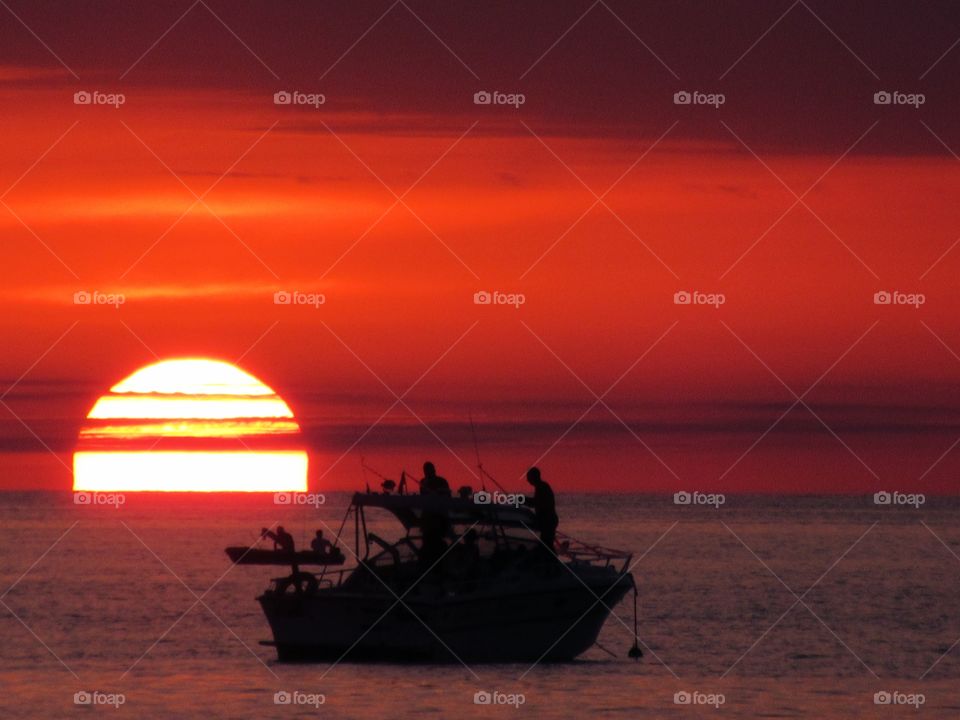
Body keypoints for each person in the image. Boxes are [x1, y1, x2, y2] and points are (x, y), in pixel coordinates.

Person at [526, 467, 558, 551]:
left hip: (548, 522)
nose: (527, 480)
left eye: (528, 477)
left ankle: (551, 561)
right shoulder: (541, 486)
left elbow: (536, 503)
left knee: (546, 546)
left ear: (533, 477)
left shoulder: (542, 487)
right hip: (548, 521)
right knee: (546, 544)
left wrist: (522, 500)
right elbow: (536, 503)